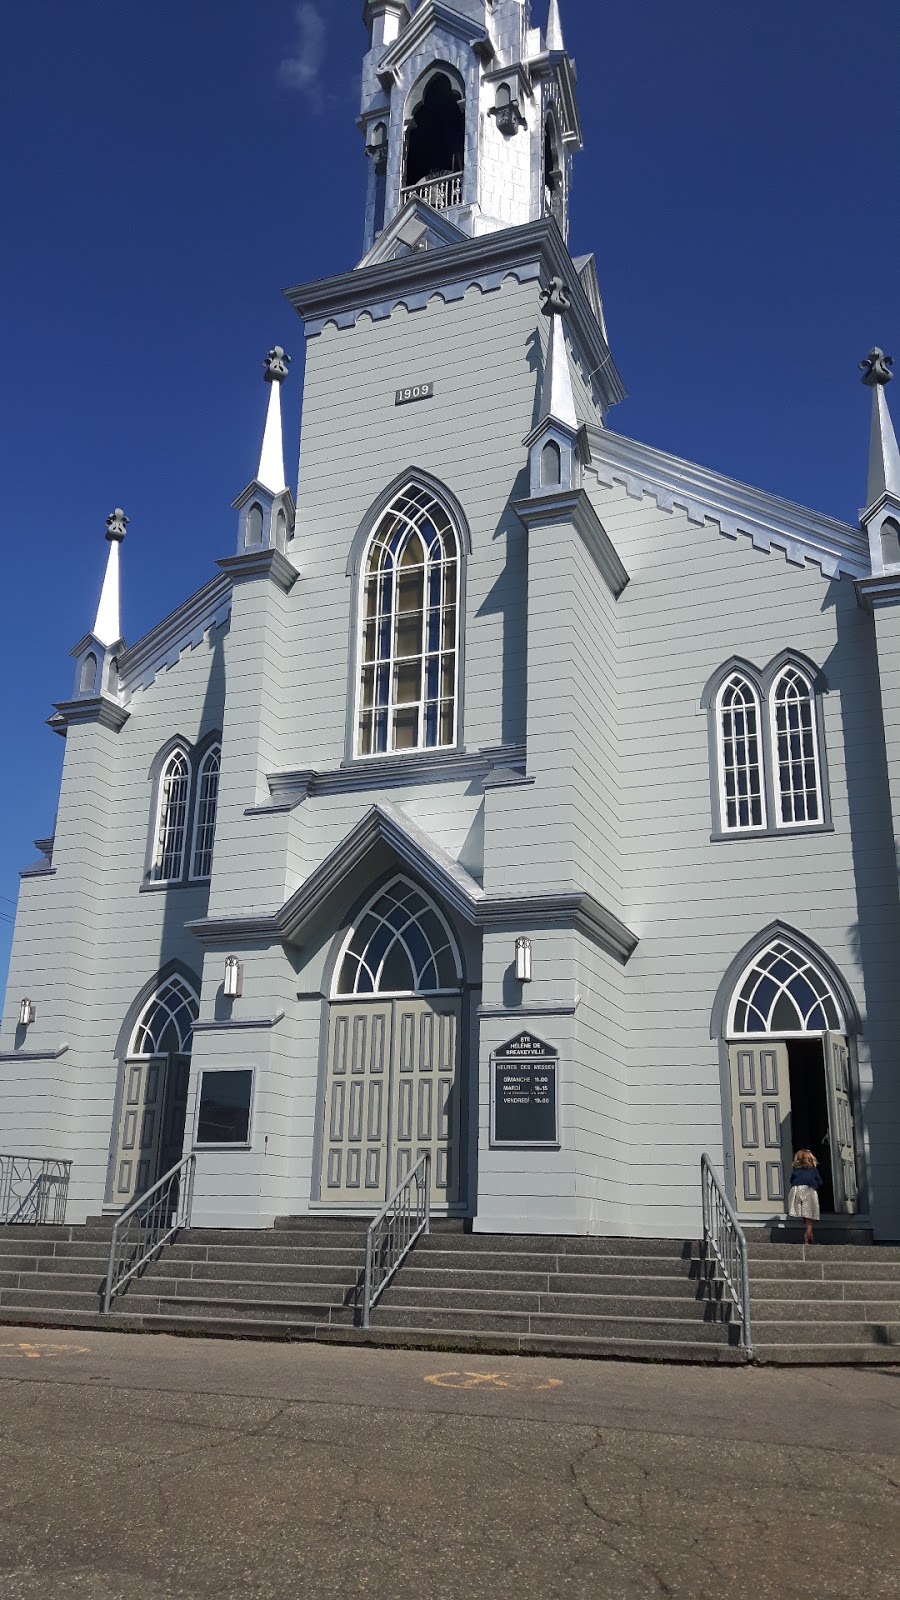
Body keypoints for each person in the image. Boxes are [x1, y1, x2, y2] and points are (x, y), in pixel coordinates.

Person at [788, 1149, 824, 1244]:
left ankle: (804, 1220)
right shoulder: (814, 1170)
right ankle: (809, 1231)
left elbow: (791, 1181)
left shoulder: (796, 1171)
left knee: (801, 1208)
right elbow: (820, 1182)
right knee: (809, 1213)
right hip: (809, 1190)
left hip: (797, 1190)